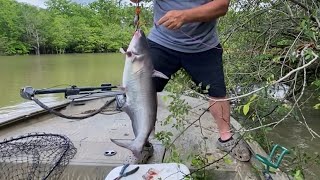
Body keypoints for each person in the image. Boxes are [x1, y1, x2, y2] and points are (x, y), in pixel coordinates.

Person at [131, 0, 251, 163]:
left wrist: (185, 16)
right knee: (143, 89)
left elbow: (221, 6)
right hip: (161, 42)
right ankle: (142, 142)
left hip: (204, 46)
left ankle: (226, 138)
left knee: (218, 92)